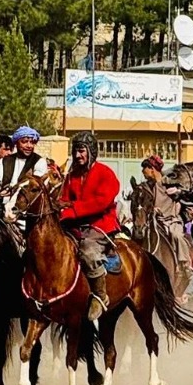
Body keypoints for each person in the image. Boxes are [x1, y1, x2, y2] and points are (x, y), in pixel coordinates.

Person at [60, 132, 121, 320]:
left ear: (91, 152)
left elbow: (101, 202)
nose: (77, 156)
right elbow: (64, 199)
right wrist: (61, 211)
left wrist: (72, 211)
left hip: (100, 225)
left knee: (88, 250)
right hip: (74, 225)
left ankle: (100, 297)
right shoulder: (71, 176)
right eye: (75, 151)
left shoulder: (105, 173)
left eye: (81, 151)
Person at [137, 155, 193, 295]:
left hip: (171, 220)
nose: (143, 173)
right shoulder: (148, 187)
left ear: (152, 169)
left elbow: (184, 198)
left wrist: (178, 194)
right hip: (155, 221)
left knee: (176, 235)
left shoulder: (169, 182)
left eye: (144, 169)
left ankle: (185, 264)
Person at [0, 125, 50, 218]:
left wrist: (12, 189)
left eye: (32, 142)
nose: (29, 146)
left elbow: (34, 187)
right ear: (16, 143)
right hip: (1, 212)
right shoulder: (5, 161)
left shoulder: (39, 162)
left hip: (26, 215)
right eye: (24, 142)